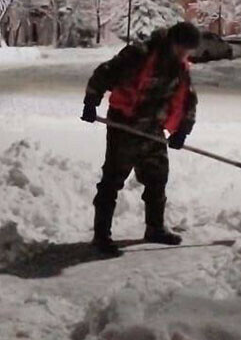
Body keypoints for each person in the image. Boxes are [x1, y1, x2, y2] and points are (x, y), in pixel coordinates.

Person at [81, 21, 201, 256]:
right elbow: (103, 74)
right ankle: (101, 236)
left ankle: (154, 228)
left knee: (157, 178)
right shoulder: (139, 54)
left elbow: (187, 100)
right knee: (113, 179)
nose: (185, 54)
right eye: (183, 49)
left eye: (188, 51)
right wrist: (90, 103)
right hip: (124, 124)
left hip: (152, 127)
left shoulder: (179, 67)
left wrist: (182, 131)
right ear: (173, 42)